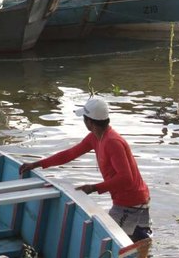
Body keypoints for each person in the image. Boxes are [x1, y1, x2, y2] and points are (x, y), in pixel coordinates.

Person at [19, 96, 152, 242]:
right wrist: (37, 164)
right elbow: (70, 154)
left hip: (130, 201)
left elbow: (126, 178)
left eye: (84, 118)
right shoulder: (95, 137)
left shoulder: (112, 142)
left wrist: (94, 187)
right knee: (139, 240)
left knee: (113, 240)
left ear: (89, 122)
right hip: (133, 198)